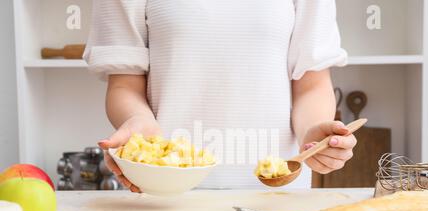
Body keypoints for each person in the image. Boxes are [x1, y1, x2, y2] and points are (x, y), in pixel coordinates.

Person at [84, 0, 356, 192]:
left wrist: (313, 133)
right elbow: (124, 85)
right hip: (164, 192)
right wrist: (137, 121)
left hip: (277, 199)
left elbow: (311, 84)